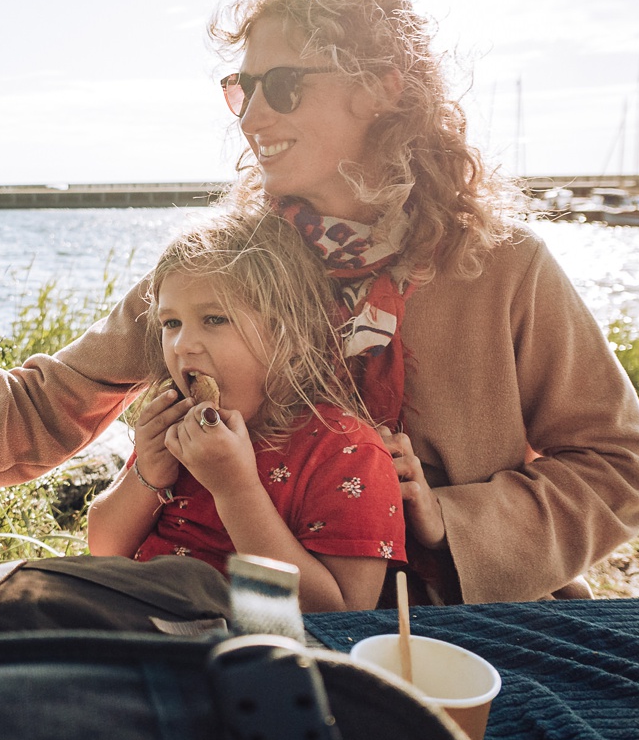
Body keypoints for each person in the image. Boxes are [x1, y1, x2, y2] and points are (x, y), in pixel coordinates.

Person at [0, 0, 639, 605]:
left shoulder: (504, 263)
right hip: (260, 615)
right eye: (241, 89)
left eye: (282, 85)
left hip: (461, 626)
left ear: (384, 86)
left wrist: (451, 520)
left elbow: (616, 465)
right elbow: (51, 400)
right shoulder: (231, 267)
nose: (249, 116)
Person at [85, 210, 404, 612]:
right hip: (138, 625)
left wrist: (234, 489)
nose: (183, 344)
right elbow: (103, 549)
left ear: (289, 334)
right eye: (171, 323)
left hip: (249, 652)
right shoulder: (178, 428)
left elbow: (340, 613)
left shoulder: (347, 453)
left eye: (214, 319)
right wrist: (147, 473)